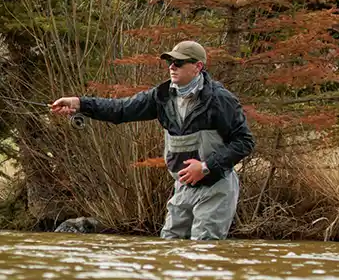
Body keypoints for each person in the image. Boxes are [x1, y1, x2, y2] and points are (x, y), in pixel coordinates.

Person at [49, 40, 255, 240]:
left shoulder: (220, 99)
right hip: (183, 186)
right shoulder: (162, 97)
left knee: (204, 249)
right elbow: (121, 110)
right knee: (169, 246)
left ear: (197, 67)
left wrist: (206, 166)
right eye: (170, 62)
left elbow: (244, 141)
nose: (172, 67)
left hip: (216, 186)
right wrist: (79, 104)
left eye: (179, 63)